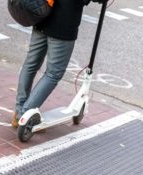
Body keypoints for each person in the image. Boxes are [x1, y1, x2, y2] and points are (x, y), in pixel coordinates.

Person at [12, 0, 106, 128]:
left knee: (31, 64)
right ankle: (25, 114)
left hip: (41, 16)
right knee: (53, 74)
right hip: (63, 25)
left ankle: (19, 112)